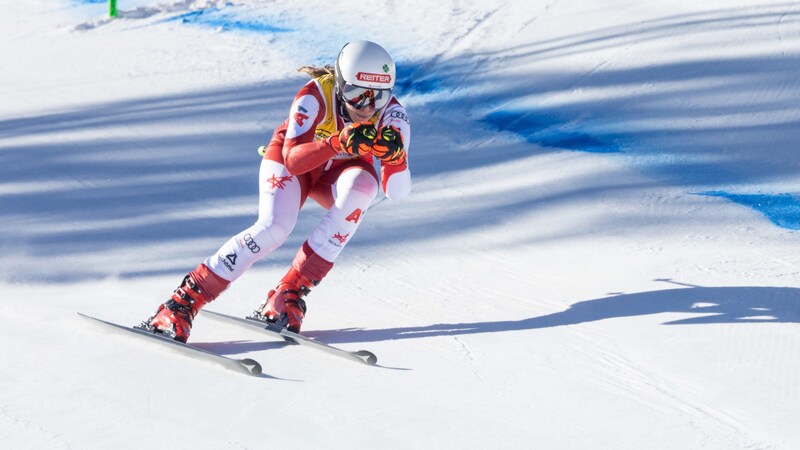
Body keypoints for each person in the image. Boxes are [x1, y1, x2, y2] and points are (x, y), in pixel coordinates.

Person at [140, 40, 411, 342]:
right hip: (295, 160)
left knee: (365, 187)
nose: (367, 107)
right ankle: (182, 302)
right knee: (274, 227)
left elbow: (396, 192)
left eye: (379, 96)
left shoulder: (393, 115)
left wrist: (395, 157)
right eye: (356, 95)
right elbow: (294, 162)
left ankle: (289, 291)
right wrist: (336, 143)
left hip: (335, 173)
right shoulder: (314, 96)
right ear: (340, 85)